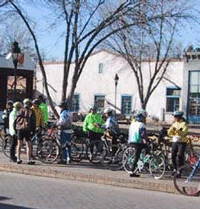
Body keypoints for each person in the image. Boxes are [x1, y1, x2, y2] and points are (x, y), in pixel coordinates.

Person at [15, 98, 36, 164]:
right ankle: (28, 159)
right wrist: (33, 130)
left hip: (20, 129)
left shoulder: (20, 110)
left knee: (19, 144)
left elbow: (16, 120)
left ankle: (18, 158)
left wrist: (16, 128)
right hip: (27, 129)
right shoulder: (31, 111)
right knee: (28, 145)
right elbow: (33, 122)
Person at [167, 111, 188, 176]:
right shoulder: (174, 124)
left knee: (180, 156)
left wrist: (178, 132)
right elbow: (169, 133)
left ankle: (179, 171)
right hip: (175, 141)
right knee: (173, 155)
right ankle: (175, 169)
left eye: (176, 117)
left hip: (182, 142)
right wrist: (172, 131)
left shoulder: (183, 124)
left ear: (179, 117)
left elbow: (184, 133)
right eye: (174, 117)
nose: (175, 118)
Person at [128, 112, 148, 177]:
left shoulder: (132, 124)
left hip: (131, 141)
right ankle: (132, 170)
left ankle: (140, 165)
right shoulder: (141, 125)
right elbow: (143, 134)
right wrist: (146, 140)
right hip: (138, 142)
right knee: (138, 155)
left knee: (137, 155)